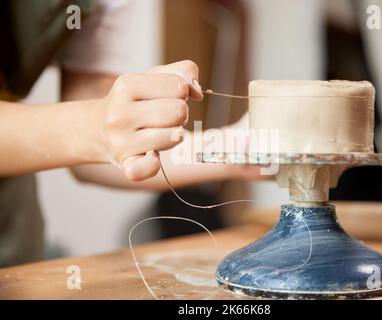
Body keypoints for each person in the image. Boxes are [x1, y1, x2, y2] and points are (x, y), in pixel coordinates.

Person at [0, 0, 256, 267]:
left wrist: (243, 146)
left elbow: (99, 150)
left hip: (13, 234)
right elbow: (94, 128)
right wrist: (96, 126)